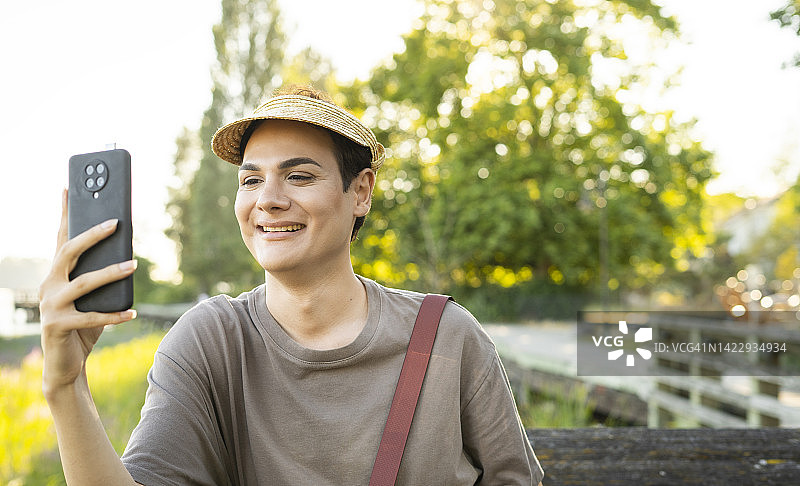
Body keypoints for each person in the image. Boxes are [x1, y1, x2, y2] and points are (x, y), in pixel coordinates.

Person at [40, 85, 544, 485]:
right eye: (251, 180)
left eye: (299, 176)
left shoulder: (447, 338)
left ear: (361, 191)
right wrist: (66, 386)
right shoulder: (210, 342)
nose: (268, 200)